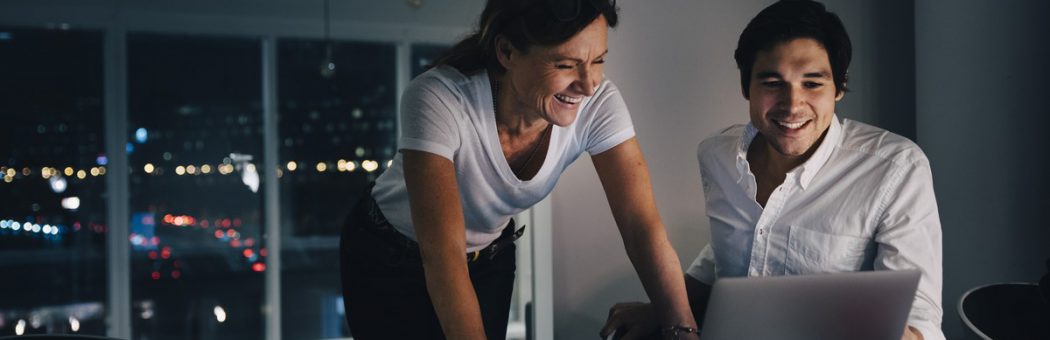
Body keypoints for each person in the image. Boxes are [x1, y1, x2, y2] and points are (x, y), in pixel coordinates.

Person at [339, 0, 699, 339]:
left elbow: (642, 228)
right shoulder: (440, 97)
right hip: (386, 257)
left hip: (487, 259)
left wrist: (683, 330)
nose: (588, 84)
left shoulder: (599, 103)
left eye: (599, 60)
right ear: (507, 52)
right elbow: (443, 257)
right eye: (565, 64)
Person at [600, 1, 944, 339]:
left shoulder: (896, 168)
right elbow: (727, 252)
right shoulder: (716, 156)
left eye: (812, 83)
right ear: (745, 87)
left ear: (838, 88)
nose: (792, 105)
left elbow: (921, 320)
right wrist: (663, 310)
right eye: (772, 83)